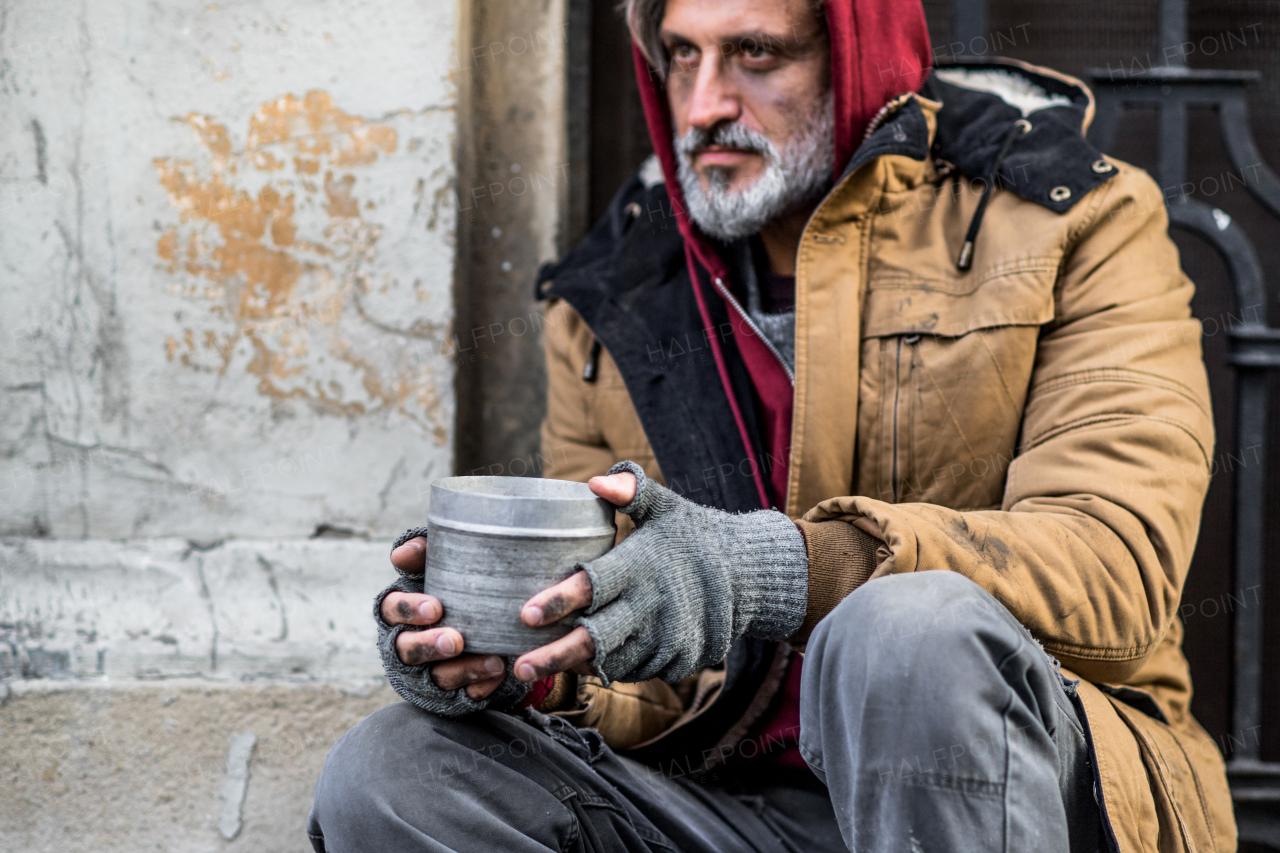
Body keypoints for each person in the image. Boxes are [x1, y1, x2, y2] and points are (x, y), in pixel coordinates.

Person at [307, 0, 1236, 850]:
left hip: (1026, 787)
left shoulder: (1074, 218)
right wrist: (531, 660)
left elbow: (1116, 569)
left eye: (756, 53)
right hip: (733, 804)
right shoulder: (612, 293)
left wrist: (773, 572)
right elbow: (647, 680)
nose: (705, 101)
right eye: (681, 55)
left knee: (906, 637)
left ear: (856, 56)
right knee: (395, 771)